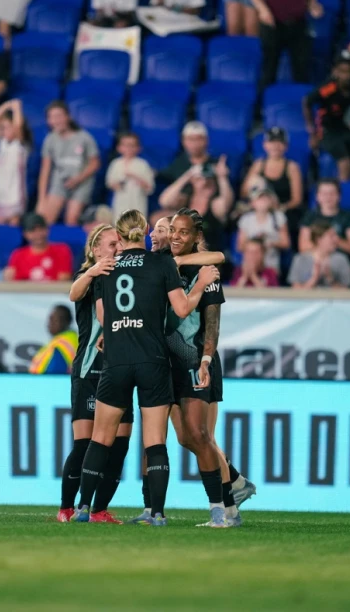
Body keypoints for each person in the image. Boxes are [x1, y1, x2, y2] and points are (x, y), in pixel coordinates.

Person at [74, 210, 218, 526]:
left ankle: (83, 507)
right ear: (146, 230)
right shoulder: (161, 263)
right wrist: (200, 284)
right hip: (152, 359)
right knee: (154, 440)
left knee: (101, 438)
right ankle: (157, 513)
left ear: (119, 235)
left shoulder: (107, 267)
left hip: (117, 360)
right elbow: (182, 308)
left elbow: (102, 316)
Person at [161, 208, 242, 527]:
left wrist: (206, 359)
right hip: (168, 364)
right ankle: (234, 480)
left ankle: (225, 509)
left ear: (196, 236)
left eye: (184, 232)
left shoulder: (206, 271)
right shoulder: (163, 264)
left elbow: (212, 325)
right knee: (187, 438)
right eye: (173, 230)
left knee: (200, 434)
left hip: (196, 361)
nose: (176, 236)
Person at [58, 225, 135, 523]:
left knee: (119, 446)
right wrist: (92, 271)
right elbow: (73, 293)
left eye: (120, 243)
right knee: (84, 444)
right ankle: (66, 507)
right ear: (95, 249)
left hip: (120, 368)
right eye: (112, 244)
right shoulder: (89, 277)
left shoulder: (125, 276)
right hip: (90, 369)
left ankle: (99, 510)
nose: (118, 248)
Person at [303, 51, 350, 191]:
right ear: (335, 71)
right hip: (331, 131)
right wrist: (312, 132)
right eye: (342, 71)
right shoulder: (327, 88)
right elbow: (306, 102)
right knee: (345, 165)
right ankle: (343, 199)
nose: (346, 76)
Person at [251, 0, 321, 88]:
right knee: (268, 71)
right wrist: (263, 10)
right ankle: (262, 100)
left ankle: (300, 99)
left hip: (298, 24)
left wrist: (314, 7)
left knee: (301, 71)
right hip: (273, 23)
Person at [158, 134, 234, 253]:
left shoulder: (215, 205)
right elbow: (164, 201)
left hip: (209, 256)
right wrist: (188, 175)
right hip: (184, 256)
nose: (204, 182)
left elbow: (226, 204)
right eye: (200, 179)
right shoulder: (185, 200)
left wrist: (222, 178)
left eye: (208, 179)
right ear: (193, 182)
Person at [36, 101, 101, 226]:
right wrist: (42, 199)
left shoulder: (84, 137)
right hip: (60, 183)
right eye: (51, 117)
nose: (56, 120)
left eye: (59, 116)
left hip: (81, 183)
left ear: (68, 117)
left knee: (71, 220)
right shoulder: (50, 139)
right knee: (46, 219)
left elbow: (95, 163)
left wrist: (78, 179)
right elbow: (45, 171)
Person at [240, 127, 303, 225]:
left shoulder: (292, 167)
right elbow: (244, 192)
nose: (276, 146)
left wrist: (280, 208)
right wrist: (258, 204)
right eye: (272, 142)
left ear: (286, 146)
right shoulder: (258, 165)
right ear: (265, 145)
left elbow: (296, 200)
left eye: (280, 142)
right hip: (259, 209)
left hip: (283, 212)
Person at [0, 99, 30, 226]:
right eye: (3, 128)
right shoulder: (2, 143)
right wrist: (4, 106)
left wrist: (16, 109)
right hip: (0, 195)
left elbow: (18, 126)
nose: (5, 131)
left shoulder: (20, 146)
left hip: (15, 196)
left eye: (8, 127)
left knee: (13, 228)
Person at [4, 212, 74, 282]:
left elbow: (64, 280)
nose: (38, 234)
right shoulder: (18, 254)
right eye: (32, 231)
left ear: (47, 230)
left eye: (41, 229)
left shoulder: (62, 250)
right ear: (25, 234)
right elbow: (12, 281)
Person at [298, 179, 350, 256]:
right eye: (324, 194)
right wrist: (325, 243)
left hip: (339, 258)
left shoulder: (349, 217)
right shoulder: (309, 216)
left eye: (332, 193)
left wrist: (334, 239)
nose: (328, 197)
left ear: (339, 196)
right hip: (314, 258)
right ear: (317, 196)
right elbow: (303, 247)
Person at [236, 187, 291, 274]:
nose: (263, 201)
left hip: (271, 264)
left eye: (265, 198)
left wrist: (271, 243)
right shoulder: (246, 219)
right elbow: (240, 246)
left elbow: (286, 243)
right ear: (252, 203)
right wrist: (256, 243)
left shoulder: (278, 217)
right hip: (251, 265)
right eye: (259, 199)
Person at [288, 219, 350, 288]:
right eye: (331, 236)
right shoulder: (300, 259)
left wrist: (330, 279)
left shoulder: (341, 259)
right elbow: (295, 290)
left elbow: (347, 291)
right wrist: (314, 278)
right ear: (319, 239)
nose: (336, 239)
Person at [106, 132, 154, 220]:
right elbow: (110, 182)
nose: (129, 148)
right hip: (121, 202)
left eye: (132, 145)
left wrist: (135, 177)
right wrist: (117, 184)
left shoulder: (143, 165)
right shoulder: (116, 163)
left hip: (138, 203)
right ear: (119, 148)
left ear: (139, 148)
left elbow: (150, 187)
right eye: (125, 145)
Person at [29, 305, 78, 375]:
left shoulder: (61, 344)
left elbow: (55, 372)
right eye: (50, 319)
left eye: (53, 320)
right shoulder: (67, 339)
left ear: (65, 322)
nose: (49, 324)